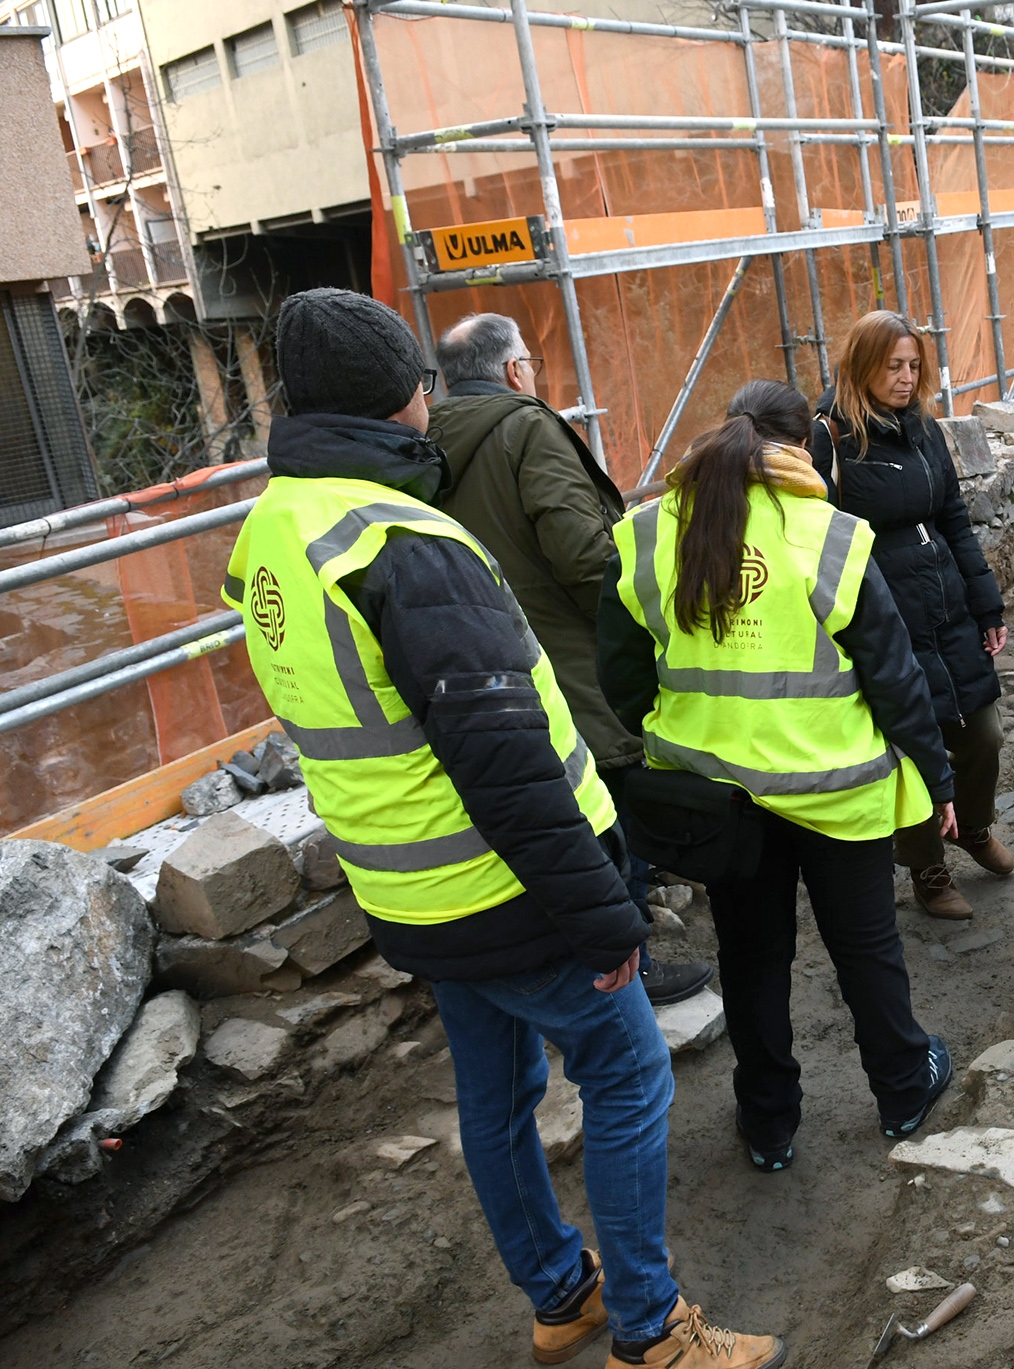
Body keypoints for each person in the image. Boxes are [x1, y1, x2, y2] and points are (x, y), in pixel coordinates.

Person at [221, 289, 779, 1369]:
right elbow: (506, 762)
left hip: (408, 890)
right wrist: (602, 912)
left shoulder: (276, 529)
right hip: (502, 887)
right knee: (628, 1074)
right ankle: (651, 1330)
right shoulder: (402, 543)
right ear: (405, 396)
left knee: (498, 1093)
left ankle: (561, 1294)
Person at [598, 380, 956, 1178]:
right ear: (803, 446)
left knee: (752, 957)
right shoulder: (829, 535)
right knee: (866, 946)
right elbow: (894, 675)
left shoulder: (648, 532)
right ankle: (903, 1088)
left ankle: (768, 1124)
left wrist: (690, 729)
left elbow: (620, 677)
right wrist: (936, 776)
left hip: (719, 800)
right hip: (837, 788)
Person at [429, 310, 713, 1008]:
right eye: (530, 361)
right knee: (607, 807)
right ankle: (632, 968)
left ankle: (581, 960)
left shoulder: (422, 442)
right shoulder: (527, 428)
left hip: (479, 665)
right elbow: (584, 555)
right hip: (568, 659)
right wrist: (636, 631)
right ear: (513, 371)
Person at [807, 311, 1014, 921]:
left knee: (982, 732)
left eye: (913, 366)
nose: (905, 377)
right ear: (861, 366)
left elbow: (954, 517)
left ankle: (973, 827)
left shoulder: (922, 426)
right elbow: (818, 537)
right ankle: (927, 868)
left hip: (944, 599)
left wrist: (986, 602)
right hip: (882, 614)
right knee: (908, 747)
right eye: (893, 366)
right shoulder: (831, 438)